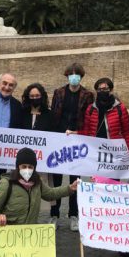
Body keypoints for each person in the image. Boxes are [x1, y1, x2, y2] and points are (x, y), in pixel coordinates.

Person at [49, 62, 94, 231]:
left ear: (81, 77)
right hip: (60, 138)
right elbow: (54, 113)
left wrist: (80, 132)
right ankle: (54, 214)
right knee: (57, 180)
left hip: (78, 138)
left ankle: (74, 214)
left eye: (77, 74)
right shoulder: (59, 92)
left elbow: (89, 116)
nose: (74, 77)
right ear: (67, 76)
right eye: (71, 74)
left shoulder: (88, 94)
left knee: (76, 179)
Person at [0, 148, 78, 226]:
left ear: (34, 168)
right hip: (9, 232)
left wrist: (70, 188)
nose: (27, 170)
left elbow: (50, 194)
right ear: (18, 167)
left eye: (30, 167)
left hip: (29, 233)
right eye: (24, 166)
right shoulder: (7, 183)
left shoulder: (37, 182)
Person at [79, 77, 129, 166]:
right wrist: (74, 133)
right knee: (97, 179)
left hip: (114, 153)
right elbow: (87, 132)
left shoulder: (120, 108)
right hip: (96, 152)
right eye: (99, 89)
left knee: (113, 180)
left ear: (111, 90)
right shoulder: (90, 109)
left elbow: (127, 133)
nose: (102, 91)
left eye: (105, 89)